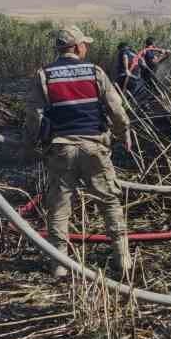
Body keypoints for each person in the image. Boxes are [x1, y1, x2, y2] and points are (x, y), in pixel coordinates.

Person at [26, 25, 133, 281]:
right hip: (94, 147)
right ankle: (123, 260)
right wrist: (123, 133)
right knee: (109, 201)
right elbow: (115, 109)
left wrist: (31, 144)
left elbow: (34, 116)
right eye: (84, 44)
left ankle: (59, 265)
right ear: (76, 47)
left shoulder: (44, 75)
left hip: (61, 149)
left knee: (59, 207)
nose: (86, 47)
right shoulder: (94, 72)